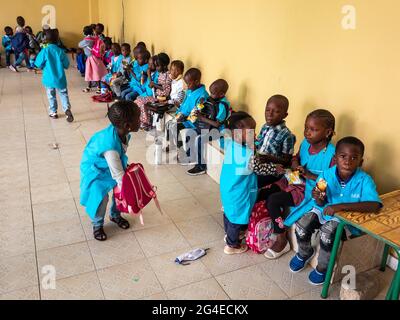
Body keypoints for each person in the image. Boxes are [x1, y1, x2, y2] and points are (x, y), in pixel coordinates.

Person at [288, 136, 382, 285]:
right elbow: (320, 200)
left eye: (354, 158)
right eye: (343, 156)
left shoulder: (364, 180)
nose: (348, 161)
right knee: (302, 224)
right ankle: (304, 252)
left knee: (328, 232)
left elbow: (375, 205)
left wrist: (340, 207)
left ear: (361, 162)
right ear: (335, 158)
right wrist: (319, 196)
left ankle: (323, 267)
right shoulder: (326, 174)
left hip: (346, 218)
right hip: (324, 210)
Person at [257, 109, 336, 259]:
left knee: (273, 200)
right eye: (306, 128)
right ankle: (258, 225)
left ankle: (282, 238)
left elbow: (330, 181)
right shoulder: (306, 143)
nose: (307, 132)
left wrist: (309, 175)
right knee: (265, 191)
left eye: (313, 129)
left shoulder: (332, 154)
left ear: (327, 132)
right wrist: (295, 165)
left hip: (309, 189)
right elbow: (296, 158)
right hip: (294, 178)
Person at [80, 101, 141, 241]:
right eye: (138, 118)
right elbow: (119, 175)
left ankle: (115, 215)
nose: (141, 120)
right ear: (127, 125)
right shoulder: (110, 147)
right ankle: (97, 224)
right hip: (95, 169)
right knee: (101, 197)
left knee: (119, 191)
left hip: (110, 164)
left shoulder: (121, 132)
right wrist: (130, 193)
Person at [220, 111, 258, 255]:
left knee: (229, 213)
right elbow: (260, 168)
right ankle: (232, 245)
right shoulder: (248, 154)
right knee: (236, 218)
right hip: (239, 191)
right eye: (251, 131)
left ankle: (229, 234)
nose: (254, 134)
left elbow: (224, 134)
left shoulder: (230, 144)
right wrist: (276, 168)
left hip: (228, 188)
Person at [186, 79, 231, 176]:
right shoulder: (213, 99)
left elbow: (217, 124)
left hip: (218, 131)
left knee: (199, 140)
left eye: (213, 93)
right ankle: (191, 157)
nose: (210, 95)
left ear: (222, 94)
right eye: (210, 92)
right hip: (209, 127)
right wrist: (201, 104)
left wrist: (202, 118)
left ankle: (201, 167)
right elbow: (203, 109)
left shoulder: (223, 105)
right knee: (190, 133)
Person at [254, 95, 296, 190]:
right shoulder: (265, 127)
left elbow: (286, 161)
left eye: (276, 111)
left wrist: (269, 158)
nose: (270, 114)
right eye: (267, 110)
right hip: (259, 165)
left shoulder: (287, 135)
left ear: (285, 115)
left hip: (273, 170)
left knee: (252, 181)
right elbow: (258, 144)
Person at [167, 68, 209, 163]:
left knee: (186, 133)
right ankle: (179, 148)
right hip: (184, 119)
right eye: (186, 83)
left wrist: (184, 118)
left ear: (197, 82)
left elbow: (197, 112)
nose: (187, 86)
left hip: (194, 123)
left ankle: (188, 155)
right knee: (171, 125)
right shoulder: (190, 91)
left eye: (189, 83)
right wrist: (178, 112)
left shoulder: (203, 96)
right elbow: (184, 106)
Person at [35, 29, 74, 122]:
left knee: (51, 95)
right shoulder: (60, 51)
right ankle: (67, 109)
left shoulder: (45, 51)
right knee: (63, 94)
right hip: (60, 78)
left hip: (49, 78)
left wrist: (44, 65)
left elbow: (38, 64)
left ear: (46, 40)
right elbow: (66, 65)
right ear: (57, 40)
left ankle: (53, 112)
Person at [135, 53, 172, 130]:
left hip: (162, 99)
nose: (156, 68)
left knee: (142, 102)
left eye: (158, 66)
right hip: (156, 96)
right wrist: (153, 84)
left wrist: (154, 85)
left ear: (164, 66)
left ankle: (146, 123)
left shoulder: (168, 74)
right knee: (138, 100)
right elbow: (156, 85)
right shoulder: (161, 73)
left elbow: (165, 88)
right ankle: (143, 121)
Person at [79, 25, 107, 93]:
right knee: (93, 72)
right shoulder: (94, 38)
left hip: (92, 58)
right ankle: (93, 87)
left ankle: (97, 88)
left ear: (84, 33)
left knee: (93, 72)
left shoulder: (86, 40)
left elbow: (79, 45)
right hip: (95, 57)